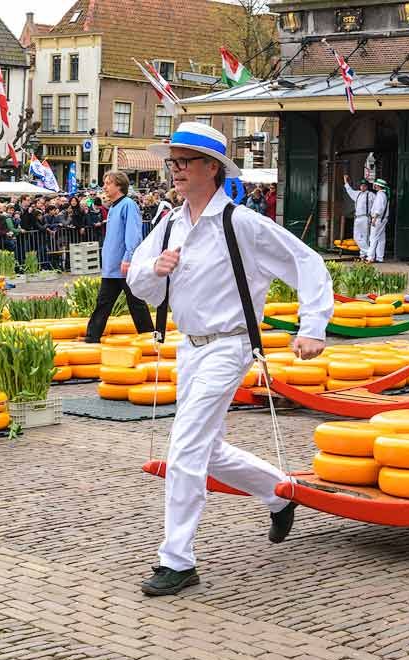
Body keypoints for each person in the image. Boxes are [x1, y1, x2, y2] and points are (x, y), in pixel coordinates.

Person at [127, 122, 333, 596]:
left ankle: (177, 560)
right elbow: (141, 283)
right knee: (209, 449)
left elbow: (308, 263)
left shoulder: (242, 223)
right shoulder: (170, 225)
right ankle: (279, 493)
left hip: (231, 344)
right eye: (172, 160)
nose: (175, 169)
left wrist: (312, 327)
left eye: (184, 161)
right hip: (189, 345)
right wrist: (154, 270)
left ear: (211, 169)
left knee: (185, 446)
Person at [83, 171, 155, 343]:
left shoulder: (128, 204)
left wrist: (128, 257)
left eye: (108, 183)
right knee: (104, 303)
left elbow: (133, 234)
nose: (105, 187)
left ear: (119, 185)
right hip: (112, 266)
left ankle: (149, 338)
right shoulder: (114, 206)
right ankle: (92, 337)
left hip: (123, 265)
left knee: (135, 304)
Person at [342, 175, 374, 260]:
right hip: (357, 218)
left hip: (365, 218)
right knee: (356, 237)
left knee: (365, 237)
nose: (362, 187)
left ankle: (364, 255)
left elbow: (376, 206)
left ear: (367, 187)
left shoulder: (371, 195)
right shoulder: (358, 194)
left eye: (364, 185)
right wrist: (346, 181)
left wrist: (374, 217)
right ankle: (368, 252)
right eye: (361, 185)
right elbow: (349, 191)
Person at [367, 178, 390, 263]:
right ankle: (380, 257)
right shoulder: (383, 194)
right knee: (381, 239)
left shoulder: (380, 195)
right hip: (382, 219)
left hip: (378, 219)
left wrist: (374, 218)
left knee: (373, 237)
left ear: (378, 186)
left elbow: (379, 208)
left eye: (375, 184)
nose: (374, 185)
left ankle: (370, 257)